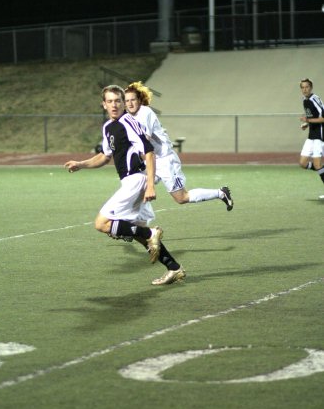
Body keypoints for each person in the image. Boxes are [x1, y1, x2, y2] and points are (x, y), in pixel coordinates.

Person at [64, 85, 186, 286]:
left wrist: (150, 185)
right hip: (131, 181)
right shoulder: (108, 127)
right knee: (136, 232)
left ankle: (150, 233)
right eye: (110, 101)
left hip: (136, 180)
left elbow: (149, 152)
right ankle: (174, 268)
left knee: (102, 223)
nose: (114, 104)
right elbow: (105, 156)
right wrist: (81, 164)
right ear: (104, 104)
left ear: (123, 103)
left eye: (118, 101)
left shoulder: (129, 122)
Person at [124, 81, 233, 210]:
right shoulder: (129, 117)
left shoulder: (144, 112)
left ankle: (221, 193)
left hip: (165, 160)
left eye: (133, 100)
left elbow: (144, 139)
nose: (130, 103)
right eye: (127, 101)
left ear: (140, 100)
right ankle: (127, 224)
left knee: (181, 198)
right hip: (151, 160)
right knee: (135, 189)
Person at [298, 78, 324, 198]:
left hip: (319, 135)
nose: (304, 89)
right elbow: (313, 117)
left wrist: (307, 120)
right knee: (303, 163)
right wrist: (307, 124)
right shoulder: (304, 100)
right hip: (311, 136)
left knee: (318, 165)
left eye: (307, 87)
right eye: (302, 87)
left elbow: (323, 118)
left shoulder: (315, 99)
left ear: (311, 87)